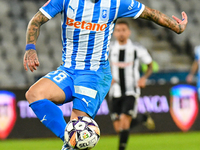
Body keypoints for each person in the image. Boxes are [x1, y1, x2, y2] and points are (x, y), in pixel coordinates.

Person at [23, 0, 187, 149]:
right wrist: (30, 47)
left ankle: (72, 141)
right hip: (68, 70)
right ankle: (68, 138)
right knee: (34, 94)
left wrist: (176, 26)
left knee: (78, 128)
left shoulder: (116, 4)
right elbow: (36, 20)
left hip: (94, 75)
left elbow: (149, 13)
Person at [109, 20, 154, 150]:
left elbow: (150, 65)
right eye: (118, 30)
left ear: (128, 32)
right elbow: (101, 66)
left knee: (124, 121)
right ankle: (142, 119)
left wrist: (144, 78)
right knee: (119, 128)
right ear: (114, 33)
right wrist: (106, 78)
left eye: (123, 30)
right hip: (115, 91)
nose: (121, 33)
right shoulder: (109, 48)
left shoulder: (136, 48)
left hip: (131, 90)